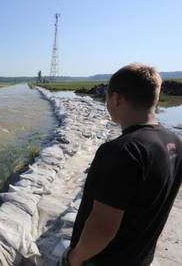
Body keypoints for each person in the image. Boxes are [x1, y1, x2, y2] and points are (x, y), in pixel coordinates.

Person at [59, 63, 182, 266]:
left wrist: (75, 258)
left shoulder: (122, 151)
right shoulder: (174, 143)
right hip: (140, 258)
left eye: (108, 98)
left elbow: (103, 227)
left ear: (116, 99)